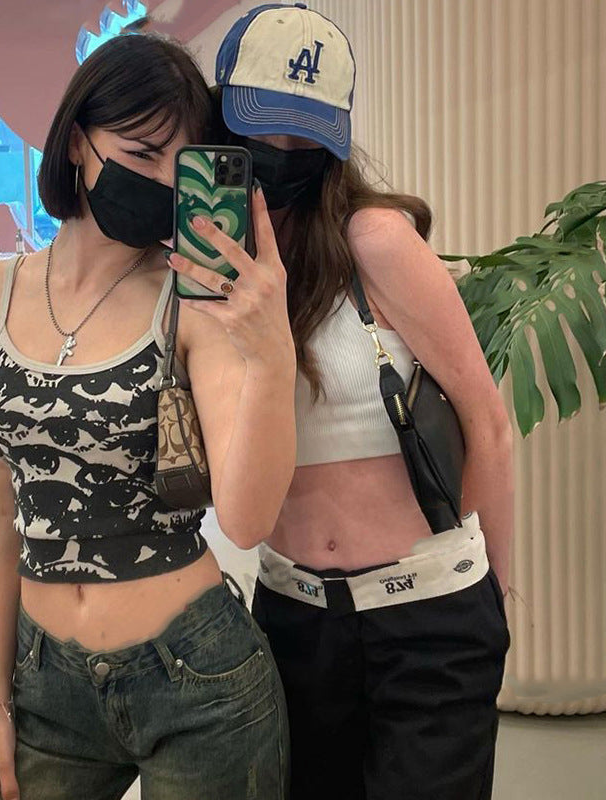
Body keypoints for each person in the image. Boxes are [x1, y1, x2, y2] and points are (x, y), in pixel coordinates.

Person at [0, 33, 295, 800]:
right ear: (78, 143)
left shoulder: (195, 306)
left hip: (197, 678)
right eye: (141, 154)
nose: (162, 183)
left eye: (184, 166)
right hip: (43, 682)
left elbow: (247, 520)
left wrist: (271, 351)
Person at [214, 4, 513, 799]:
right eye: (264, 126)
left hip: (428, 622)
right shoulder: (210, 265)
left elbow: (487, 420)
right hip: (292, 617)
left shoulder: (371, 238)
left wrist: (496, 603)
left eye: (306, 135)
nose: (284, 152)